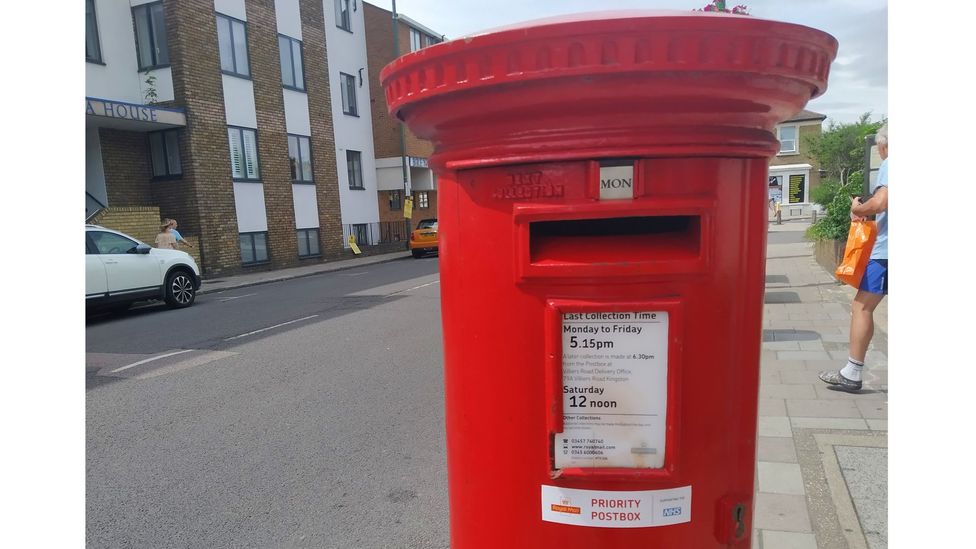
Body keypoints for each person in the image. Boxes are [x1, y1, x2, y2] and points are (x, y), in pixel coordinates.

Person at [819, 123, 888, 392]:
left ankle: (852, 372)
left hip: (887, 253)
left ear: (883, 145)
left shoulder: (892, 162)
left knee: (861, 306)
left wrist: (859, 207)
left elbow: (882, 201)